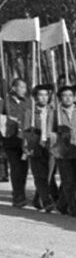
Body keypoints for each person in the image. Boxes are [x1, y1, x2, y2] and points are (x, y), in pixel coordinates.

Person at [52, 83, 76, 217]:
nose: (67, 98)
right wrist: (57, 135)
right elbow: (50, 131)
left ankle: (61, 205)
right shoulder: (55, 113)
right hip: (62, 150)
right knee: (68, 181)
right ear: (60, 98)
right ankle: (74, 209)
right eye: (64, 96)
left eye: (70, 95)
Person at [21, 81, 55, 212]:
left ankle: (38, 197)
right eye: (40, 95)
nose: (43, 98)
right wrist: (25, 146)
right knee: (39, 175)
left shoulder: (53, 111)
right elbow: (25, 130)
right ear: (35, 97)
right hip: (35, 145)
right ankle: (47, 201)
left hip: (50, 145)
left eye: (46, 95)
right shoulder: (30, 112)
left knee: (48, 176)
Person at [3, 77, 30, 207]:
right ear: (14, 88)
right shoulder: (5, 102)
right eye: (21, 87)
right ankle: (18, 195)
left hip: (24, 141)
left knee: (24, 168)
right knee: (16, 167)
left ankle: (20, 191)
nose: (24, 90)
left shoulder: (28, 102)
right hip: (11, 140)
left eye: (25, 87)